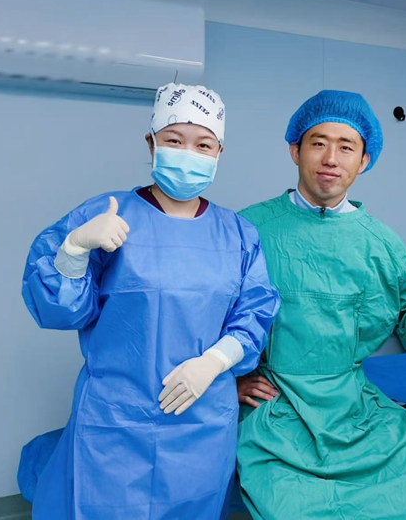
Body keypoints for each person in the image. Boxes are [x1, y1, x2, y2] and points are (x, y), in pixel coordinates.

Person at [21, 83, 280, 520]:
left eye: (203, 145)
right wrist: (74, 250)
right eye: (174, 140)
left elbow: (254, 315)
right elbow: (60, 310)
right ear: (151, 143)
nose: (188, 153)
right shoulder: (107, 214)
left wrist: (214, 361)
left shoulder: (238, 235)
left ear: (219, 152)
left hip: (201, 423)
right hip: (115, 422)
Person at [236, 90, 406, 519]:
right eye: (318, 143)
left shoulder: (381, 243)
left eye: (346, 147)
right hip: (277, 413)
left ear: (363, 161)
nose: (331, 159)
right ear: (295, 151)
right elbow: (205, 321)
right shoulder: (248, 229)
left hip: (357, 413)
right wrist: (230, 381)